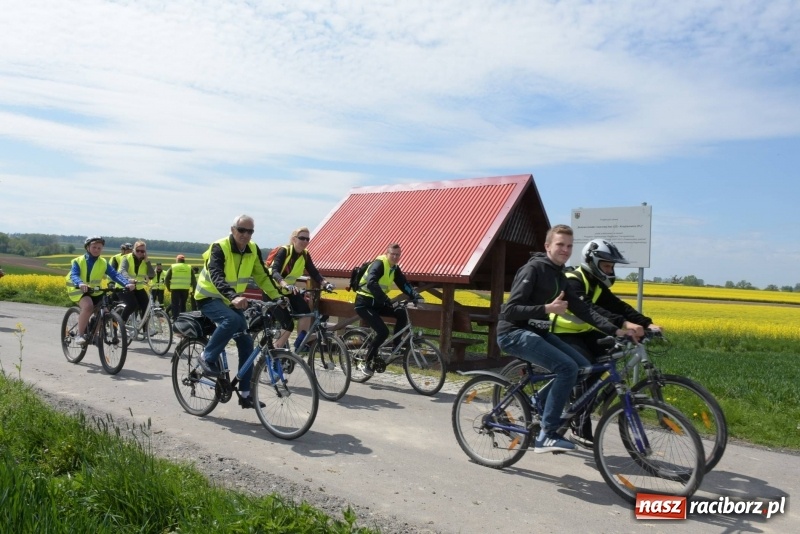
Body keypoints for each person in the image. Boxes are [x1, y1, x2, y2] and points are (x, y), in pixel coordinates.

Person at [496, 224, 634, 454]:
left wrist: (616, 330)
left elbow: (584, 310)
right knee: (567, 368)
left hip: (538, 333)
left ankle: (538, 403)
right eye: (560, 244)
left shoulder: (560, 275)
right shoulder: (534, 270)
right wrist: (546, 308)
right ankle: (546, 434)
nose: (565, 249)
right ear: (547, 246)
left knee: (582, 367)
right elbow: (509, 310)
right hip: (513, 333)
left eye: (569, 246)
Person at [551, 238, 662, 447]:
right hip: (562, 333)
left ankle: (584, 400)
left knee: (608, 360)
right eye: (607, 265)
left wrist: (647, 323)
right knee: (588, 368)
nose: (610, 270)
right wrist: (624, 324)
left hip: (583, 333)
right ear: (592, 261)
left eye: (611, 266)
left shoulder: (596, 283)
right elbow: (591, 311)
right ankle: (579, 423)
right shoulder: (573, 279)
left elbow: (617, 306)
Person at [193, 214, 286, 409]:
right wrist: (233, 296)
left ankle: (245, 395)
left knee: (246, 343)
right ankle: (206, 357)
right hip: (209, 297)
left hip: (231, 300)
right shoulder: (220, 247)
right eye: (241, 230)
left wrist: (278, 297)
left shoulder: (252, 249)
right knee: (232, 321)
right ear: (233, 229)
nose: (245, 234)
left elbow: (262, 276)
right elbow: (216, 274)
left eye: (250, 231)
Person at [353, 243, 422, 377]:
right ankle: (366, 362)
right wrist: (387, 300)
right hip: (364, 303)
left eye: (398, 255)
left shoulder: (394, 268)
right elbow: (371, 282)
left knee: (401, 313)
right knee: (383, 332)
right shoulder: (379, 264)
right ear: (387, 253)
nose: (396, 257)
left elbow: (404, 283)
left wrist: (415, 295)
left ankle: (395, 348)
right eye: (393, 254)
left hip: (378, 303)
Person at [267, 226, 334, 352]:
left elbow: (314, 272)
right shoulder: (284, 251)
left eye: (307, 239)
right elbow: (274, 271)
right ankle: (275, 352)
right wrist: (284, 283)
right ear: (294, 239)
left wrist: (326, 284)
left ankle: (300, 343)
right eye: (301, 238)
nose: (305, 241)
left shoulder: (305, 254)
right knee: (288, 324)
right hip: (273, 290)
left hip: (289, 290)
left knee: (306, 312)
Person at [65, 236, 136, 345]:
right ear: (87, 247)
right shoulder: (78, 261)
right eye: (94, 247)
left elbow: (115, 274)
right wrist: (80, 283)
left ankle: (94, 335)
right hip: (78, 288)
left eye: (99, 248)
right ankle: (80, 335)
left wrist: (126, 283)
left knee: (105, 312)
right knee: (88, 306)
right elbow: (74, 274)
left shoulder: (103, 262)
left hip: (94, 290)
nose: (97, 250)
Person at [118, 240, 155, 325]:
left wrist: (147, 262)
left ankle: (145, 331)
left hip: (138, 287)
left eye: (142, 251)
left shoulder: (145, 261)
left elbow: (152, 275)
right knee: (132, 305)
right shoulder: (126, 258)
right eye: (138, 250)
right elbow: (122, 271)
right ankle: (121, 324)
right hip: (124, 286)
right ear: (134, 249)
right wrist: (129, 279)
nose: (140, 253)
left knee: (146, 306)